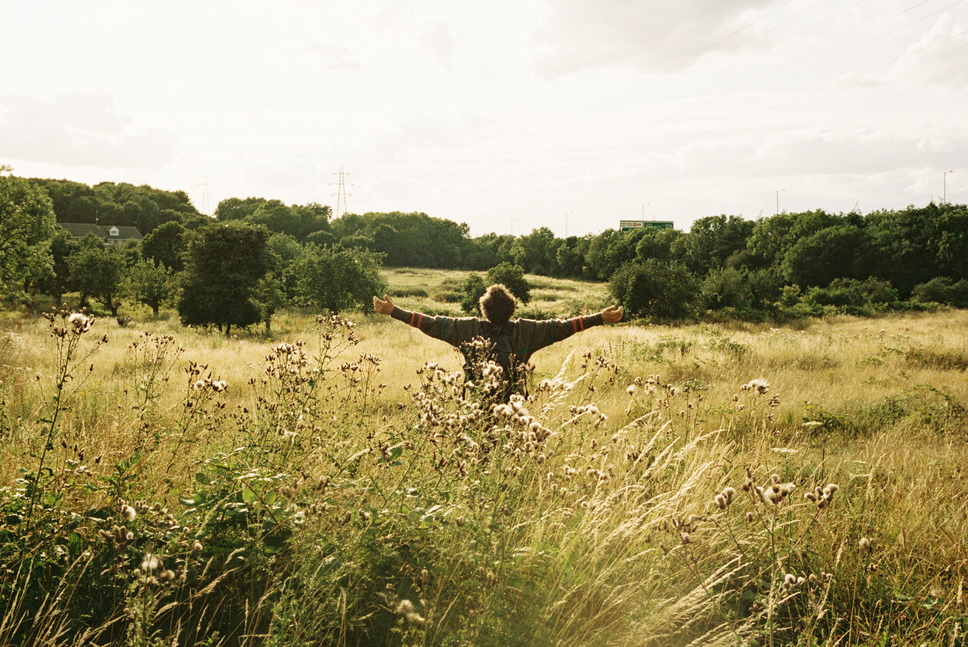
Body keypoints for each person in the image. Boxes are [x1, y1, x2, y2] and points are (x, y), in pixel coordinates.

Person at [373, 284, 623, 401]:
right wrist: (599, 317)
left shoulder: (466, 329)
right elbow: (563, 327)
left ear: (484, 309)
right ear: (512, 309)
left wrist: (394, 311)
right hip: (514, 408)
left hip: (477, 407)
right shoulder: (527, 332)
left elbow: (429, 323)